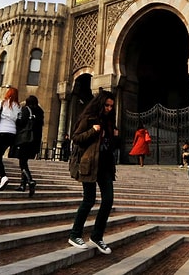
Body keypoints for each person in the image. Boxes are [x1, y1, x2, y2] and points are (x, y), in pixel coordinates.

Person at [68, 90, 117, 255]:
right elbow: (76, 138)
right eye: (107, 105)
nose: (109, 108)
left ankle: (97, 236)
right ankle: (75, 235)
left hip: (105, 166)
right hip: (89, 164)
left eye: (111, 106)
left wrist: (114, 136)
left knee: (108, 200)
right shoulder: (88, 118)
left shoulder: (110, 122)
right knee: (88, 200)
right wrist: (93, 131)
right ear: (100, 104)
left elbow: (109, 145)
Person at [0, 87, 21, 191]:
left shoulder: (2, 103)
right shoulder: (18, 106)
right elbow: (18, 119)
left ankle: (3, 176)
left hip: (2, 131)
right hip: (12, 133)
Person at [14, 95, 44, 196]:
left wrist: (17, 120)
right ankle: (22, 185)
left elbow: (21, 122)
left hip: (25, 140)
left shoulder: (26, 109)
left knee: (22, 162)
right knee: (24, 161)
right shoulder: (40, 112)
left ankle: (30, 181)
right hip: (34, 141)